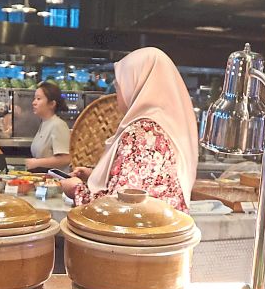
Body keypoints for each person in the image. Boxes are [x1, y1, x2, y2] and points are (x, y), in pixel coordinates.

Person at [59, 47, 198, 211]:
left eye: (119, 86)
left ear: (136, 85)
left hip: (143, 227)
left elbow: (121, 207)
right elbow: (143, 185)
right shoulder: (164, 127)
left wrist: (77, 190)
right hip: (163, 225)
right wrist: (96, 176)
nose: (117, 93)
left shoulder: (143, 133)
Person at [25, 81, 71, 172]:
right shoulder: (44, 123)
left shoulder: (58, 125)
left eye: (38, 99)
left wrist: (36, 163)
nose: (34, 103)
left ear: (52, 104)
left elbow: (65, 159)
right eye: (34, 99)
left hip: (55, 179)